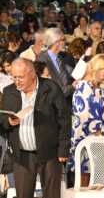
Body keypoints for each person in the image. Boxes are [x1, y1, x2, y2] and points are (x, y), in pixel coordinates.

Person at [0, 58, 70, 198]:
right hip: (22, 155)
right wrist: (8, 121)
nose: (17, 81)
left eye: (20, 77)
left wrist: (63, 149)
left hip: (49, 153)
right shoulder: (9, 91)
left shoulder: (50, 88)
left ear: (32, 74)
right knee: (23, 195)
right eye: (14, 77)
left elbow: (64, 119)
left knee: (52, 194)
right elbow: (2, 119)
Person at [68, 55, 104, 184]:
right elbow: (82, 117)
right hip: (85, 141)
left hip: (102, 142)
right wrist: (98, 131)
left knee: (101, 183)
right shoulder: (82, 88)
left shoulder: (102, 88)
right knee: (86, 182)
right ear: (97, 70)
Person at [37, 28, 74, 99]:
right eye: (63, 39)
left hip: (66, 100)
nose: (65, 42)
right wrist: (72, 86)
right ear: (56, 42)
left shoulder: (60, 57)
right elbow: (52, 89)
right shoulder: (42, 60)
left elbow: (72, 72)